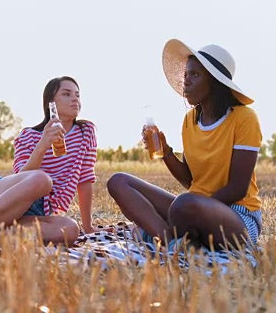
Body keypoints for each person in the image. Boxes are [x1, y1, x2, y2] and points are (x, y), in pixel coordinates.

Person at [107, 39, 263, 251]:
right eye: (186, 74)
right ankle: (174, 243)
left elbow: (237, 188)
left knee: (182, 205)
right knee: (119, 182)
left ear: (215, 82)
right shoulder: (190, 120)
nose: (185, 81)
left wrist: (193, 210)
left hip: (237, 216)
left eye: (195, 75)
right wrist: (166, 152)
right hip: (192, 207)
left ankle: (158, 232)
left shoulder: (244, 118)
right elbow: (191, 181)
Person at [0, 76, 100, 246]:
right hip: (5, 200)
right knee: (42, 179)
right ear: (51, 103)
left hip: (37, 214)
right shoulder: (29, 135)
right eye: (66, 94)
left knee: (70, 229)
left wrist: (88, 226)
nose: (74, 99)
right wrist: (42, 145)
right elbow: (22, 177)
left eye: (77, 95)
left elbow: (85, 179)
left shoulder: (86, 133)